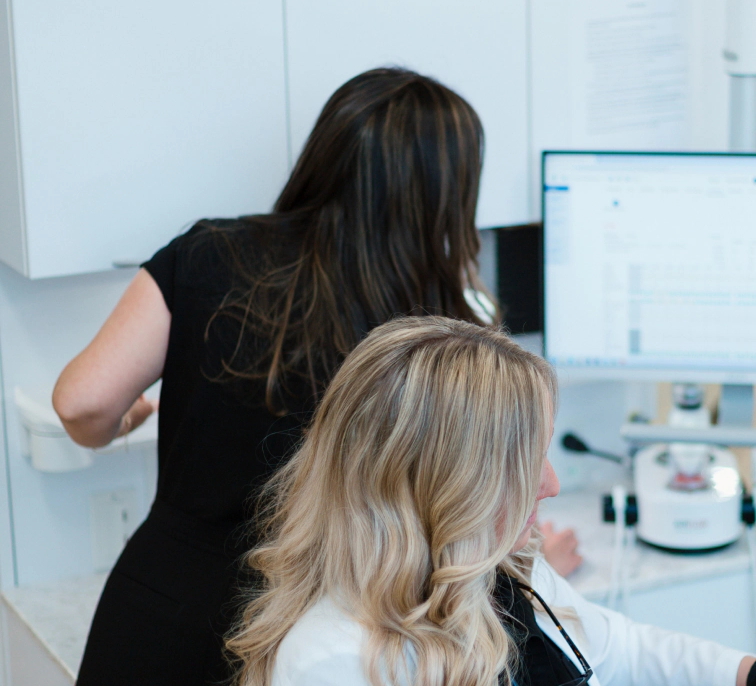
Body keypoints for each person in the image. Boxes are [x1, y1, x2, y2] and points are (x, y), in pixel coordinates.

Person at [52, 68, 579, 686]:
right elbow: (467, 515)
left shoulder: (210, 252)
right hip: (309, 627)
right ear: (449, 192)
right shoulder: (435, 338)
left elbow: (83, 403)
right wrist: (538, 576)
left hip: (159, 605)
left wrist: (121, 421)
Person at [227, 316, 756, 686]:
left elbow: (621, 650)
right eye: (527, 465)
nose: (550, 484)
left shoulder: (494, 569)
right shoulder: (333, 663)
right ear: (452, 486)